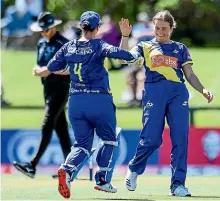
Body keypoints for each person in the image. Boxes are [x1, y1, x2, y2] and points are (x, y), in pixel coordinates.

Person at [32, 11, 143, 198]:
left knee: (82, 144)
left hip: (76, 101)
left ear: (81, 27)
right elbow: (126, 57)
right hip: (99, 100)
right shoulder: (100, 45)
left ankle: (66, 170)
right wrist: (129, 41)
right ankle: (103, 179)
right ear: (98, 27)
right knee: (109, 139)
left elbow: (49, 69)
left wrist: (38, 72)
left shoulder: (68, 47)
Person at [120, 11, 214, 197]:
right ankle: (134, 167)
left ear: (171, 28)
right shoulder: (144, 46)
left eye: (164, 28)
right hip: (154, 92)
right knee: (152, 139)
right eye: (157, 28)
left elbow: (189, 74)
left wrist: (202, 90)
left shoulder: (180, 48)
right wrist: (124, 36)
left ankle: (178, 184)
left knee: (180, 138)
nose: (160, 32)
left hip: (178, 93)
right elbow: (124, 58)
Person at [13, 12, 71, 179]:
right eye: (42, 30)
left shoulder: (63, 44)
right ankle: (69, 169)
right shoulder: (41, 43)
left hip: (60, 89)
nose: (43, 33)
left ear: (53, 27)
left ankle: (32, 164)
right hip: (47, 89)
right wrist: (38, 69)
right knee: (61, 129)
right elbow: (40, 63)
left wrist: (48, 71)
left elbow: (69, 69)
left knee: (47, 124)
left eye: (46, 30)